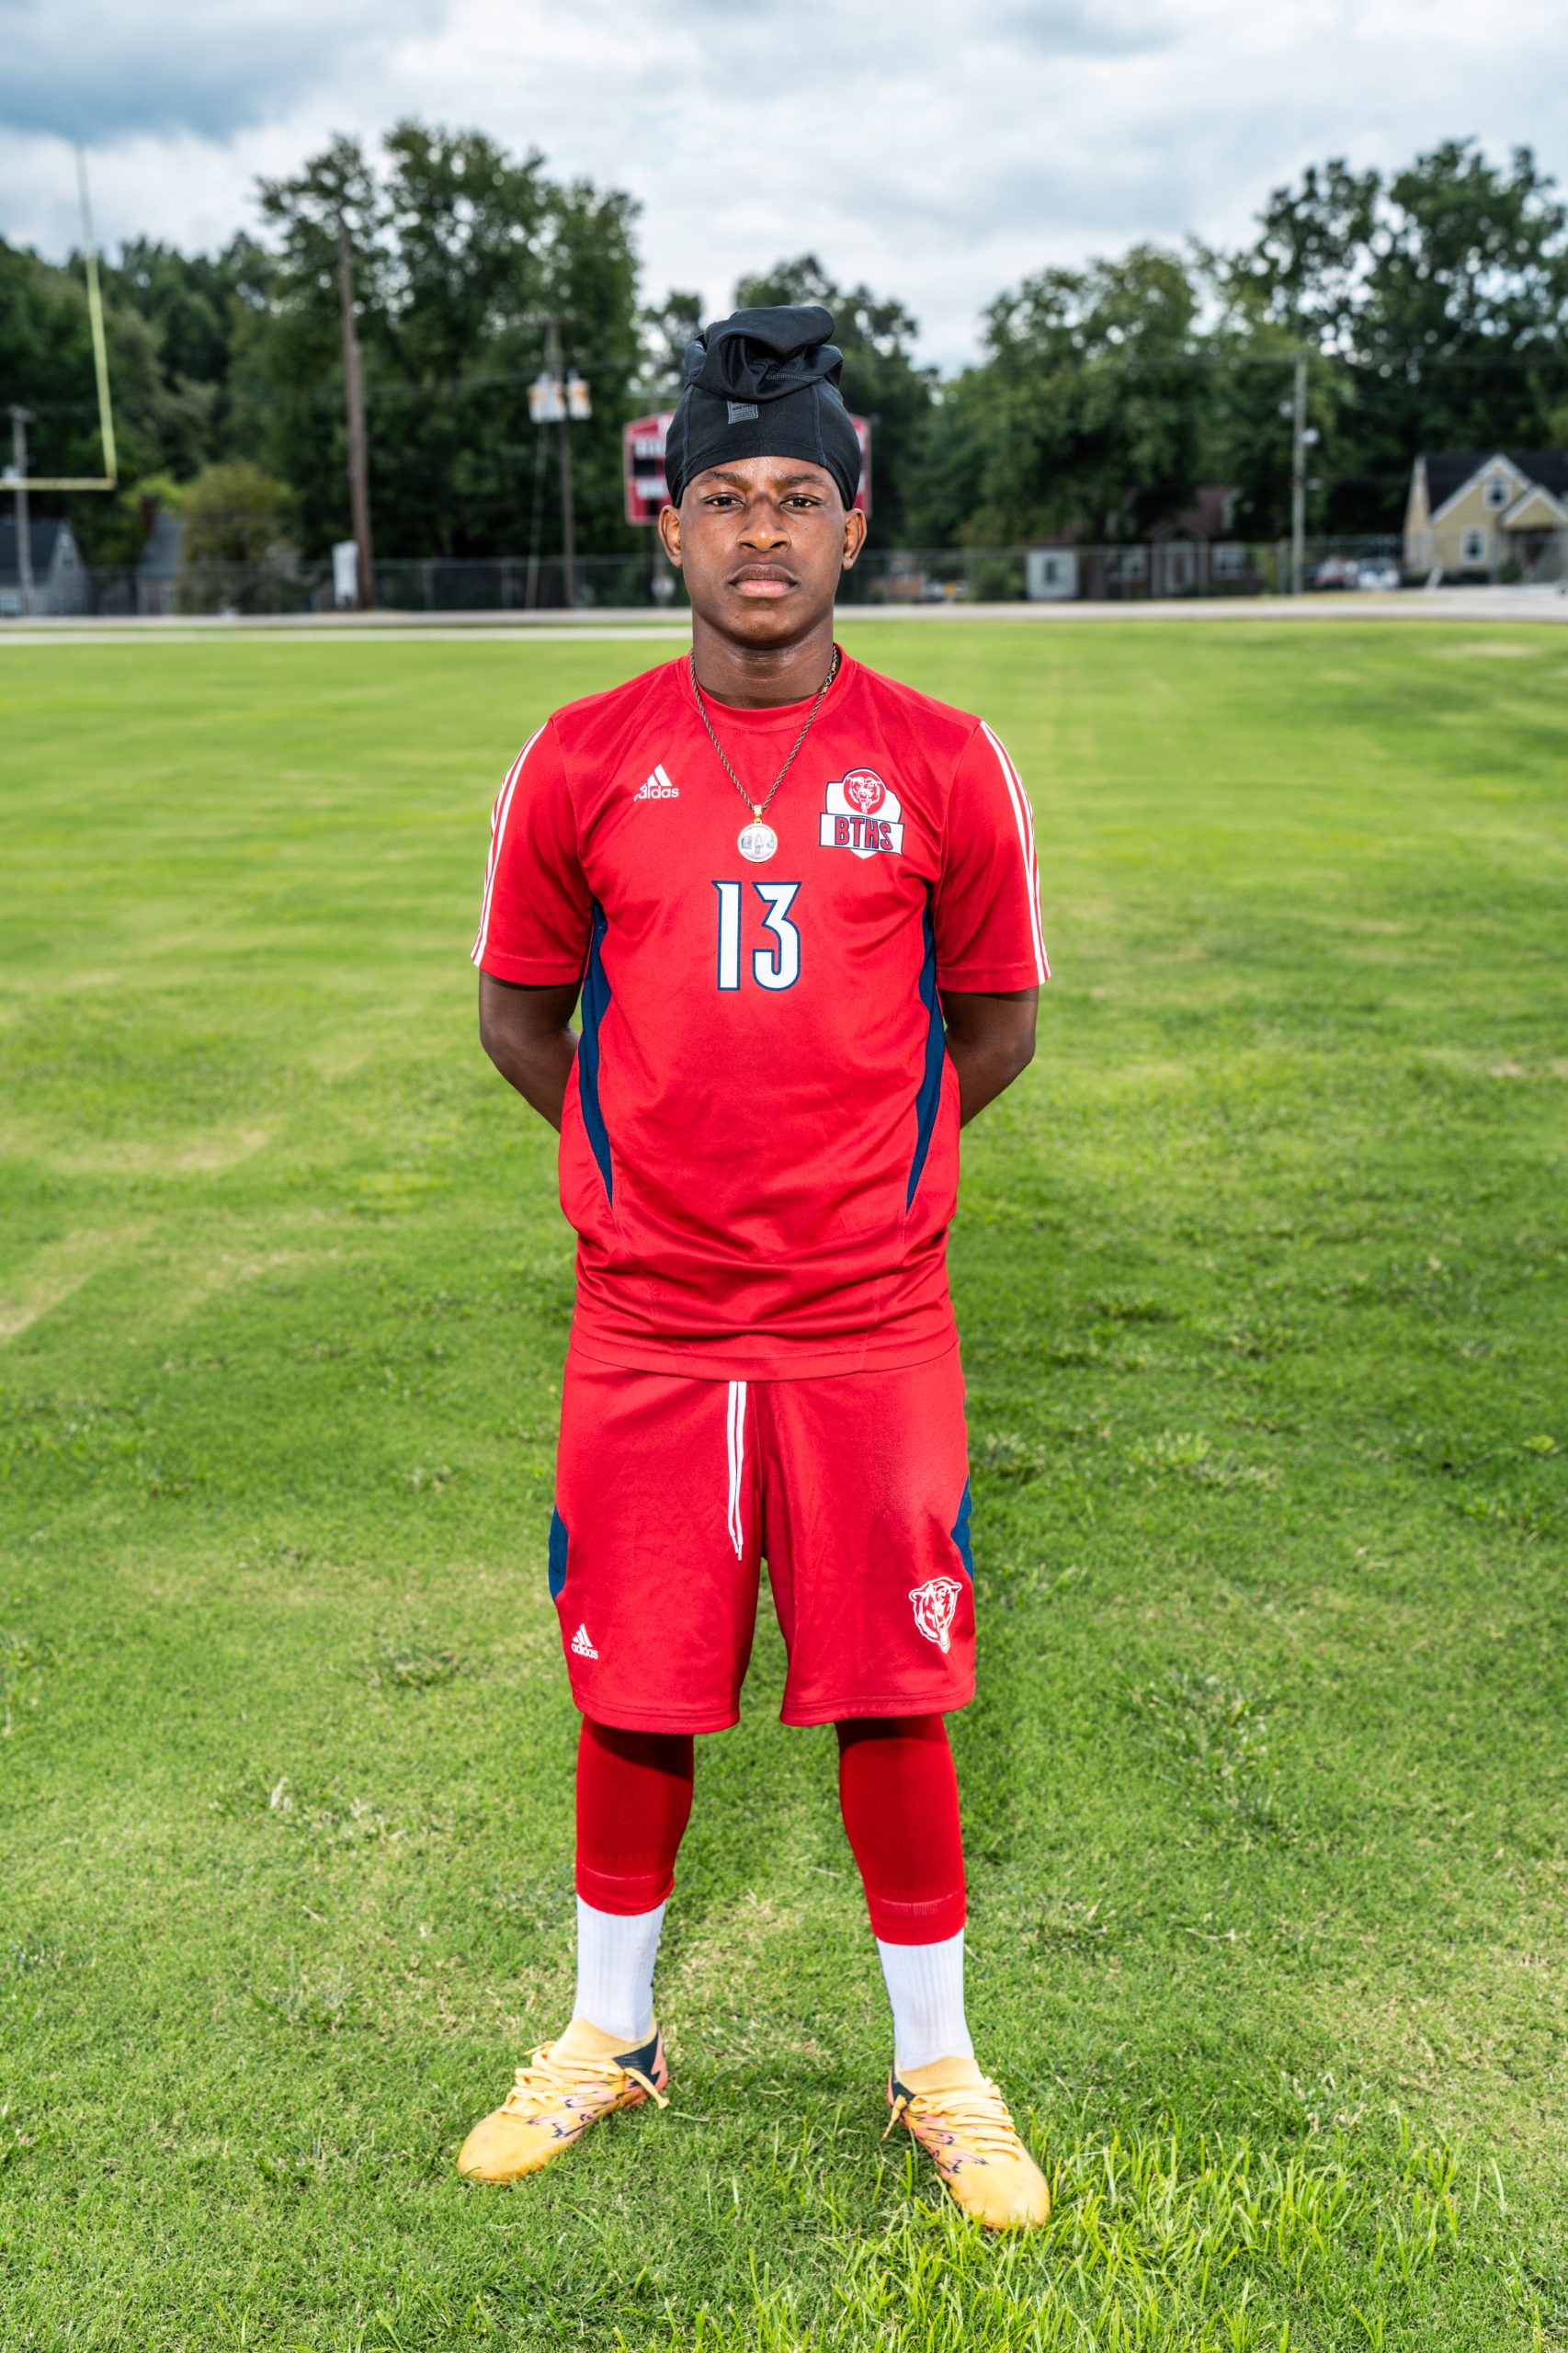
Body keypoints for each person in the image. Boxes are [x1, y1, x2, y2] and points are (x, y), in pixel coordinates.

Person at [458, 305, 1051, 2228]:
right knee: (634, 1682)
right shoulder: (581, 757)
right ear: (671, 526)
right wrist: (641, 1168)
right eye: (725, 497)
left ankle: (936, 2063)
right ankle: (608, 2033)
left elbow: (993, 1024)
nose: (763, 530)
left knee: (893, 1685)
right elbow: (520, 1018)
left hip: (869, 1318)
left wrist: (867, 1169)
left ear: (854, 523)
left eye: (800, 495)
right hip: (649, 1319)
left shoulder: (944, 760)